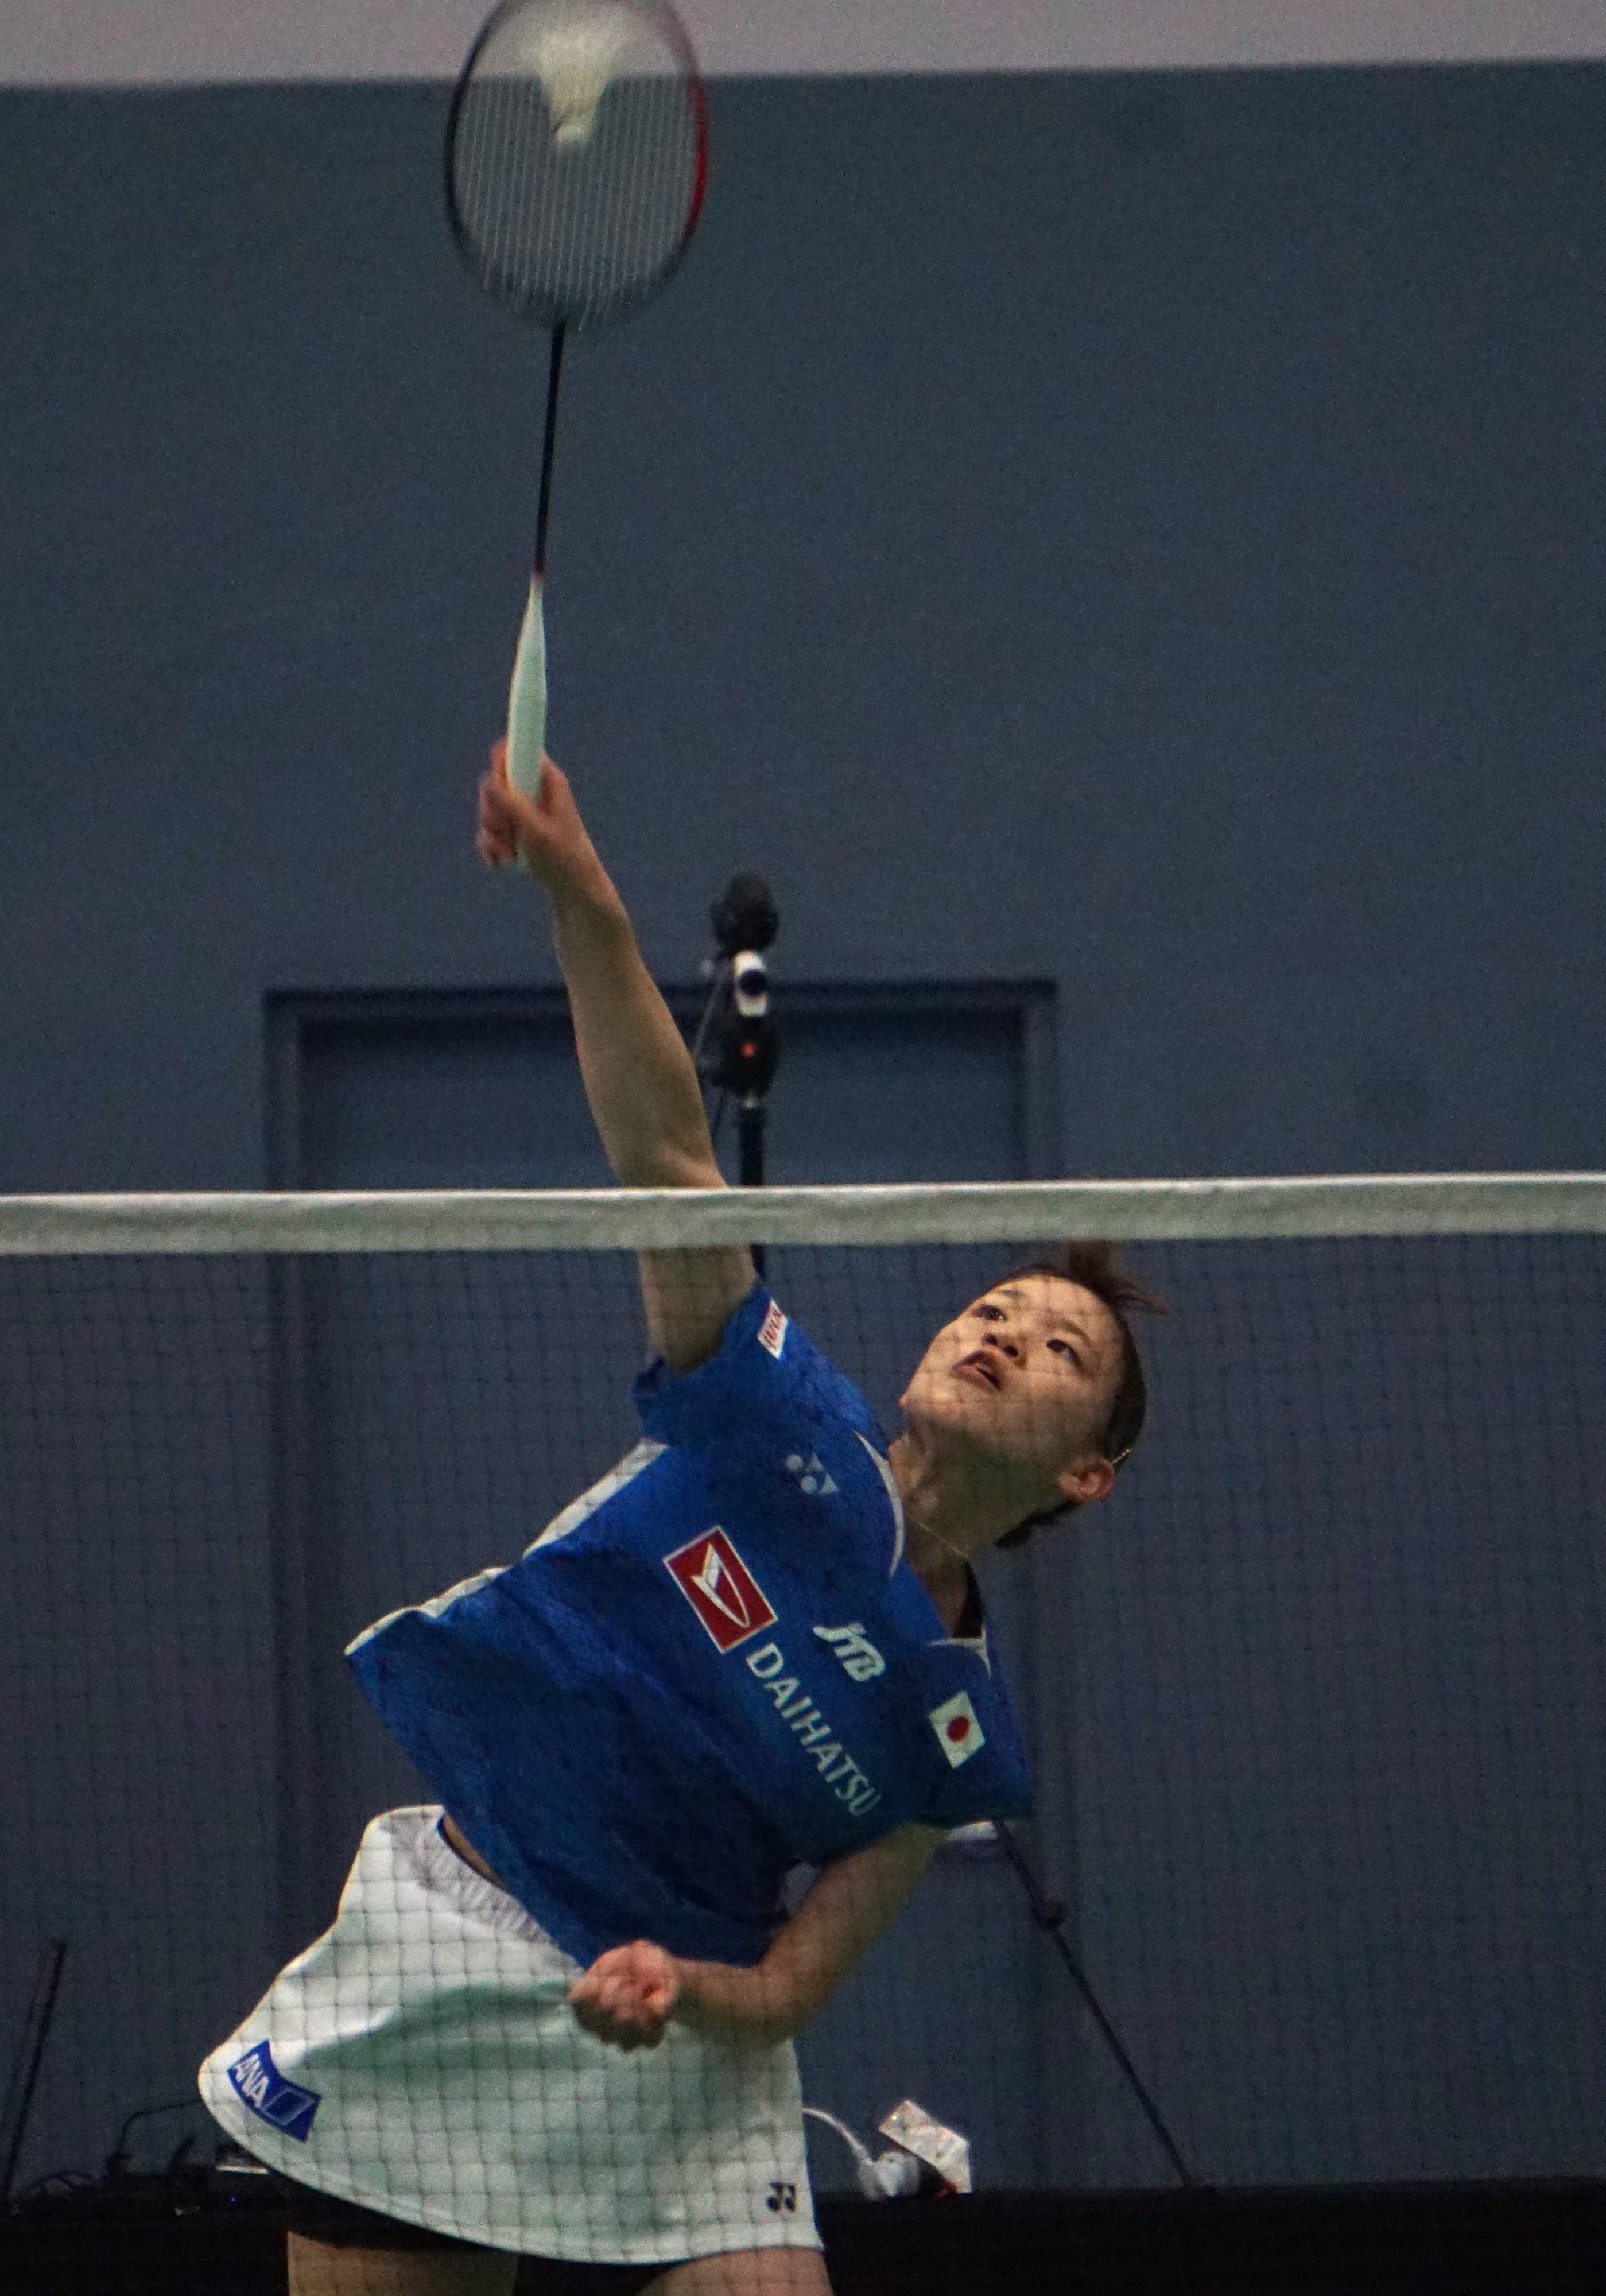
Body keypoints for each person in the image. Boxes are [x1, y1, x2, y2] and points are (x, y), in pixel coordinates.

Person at [200, 746, 1161, 2296]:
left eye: (1058, 1350)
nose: (1002, 1334)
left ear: (1085, 1474)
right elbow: (666, 1156)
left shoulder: (958, 1734)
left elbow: (787, 1990)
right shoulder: (768, 1413)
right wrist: (580, 891)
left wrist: (679, 1986)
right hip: (464, 1936)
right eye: (992, 1305)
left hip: (669, 2025)